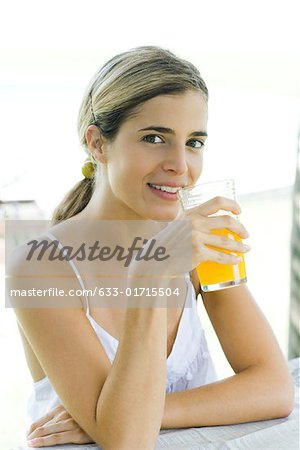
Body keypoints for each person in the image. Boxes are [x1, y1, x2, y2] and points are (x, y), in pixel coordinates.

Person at [8, 46, 294, 449]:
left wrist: (145, 410)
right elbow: (125, 439)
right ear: (98, 144)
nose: (180, 164)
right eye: (154, 138)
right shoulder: (37, 267)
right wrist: (152, 272)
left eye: (194, 142)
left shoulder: (197, 240)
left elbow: (275, 389)